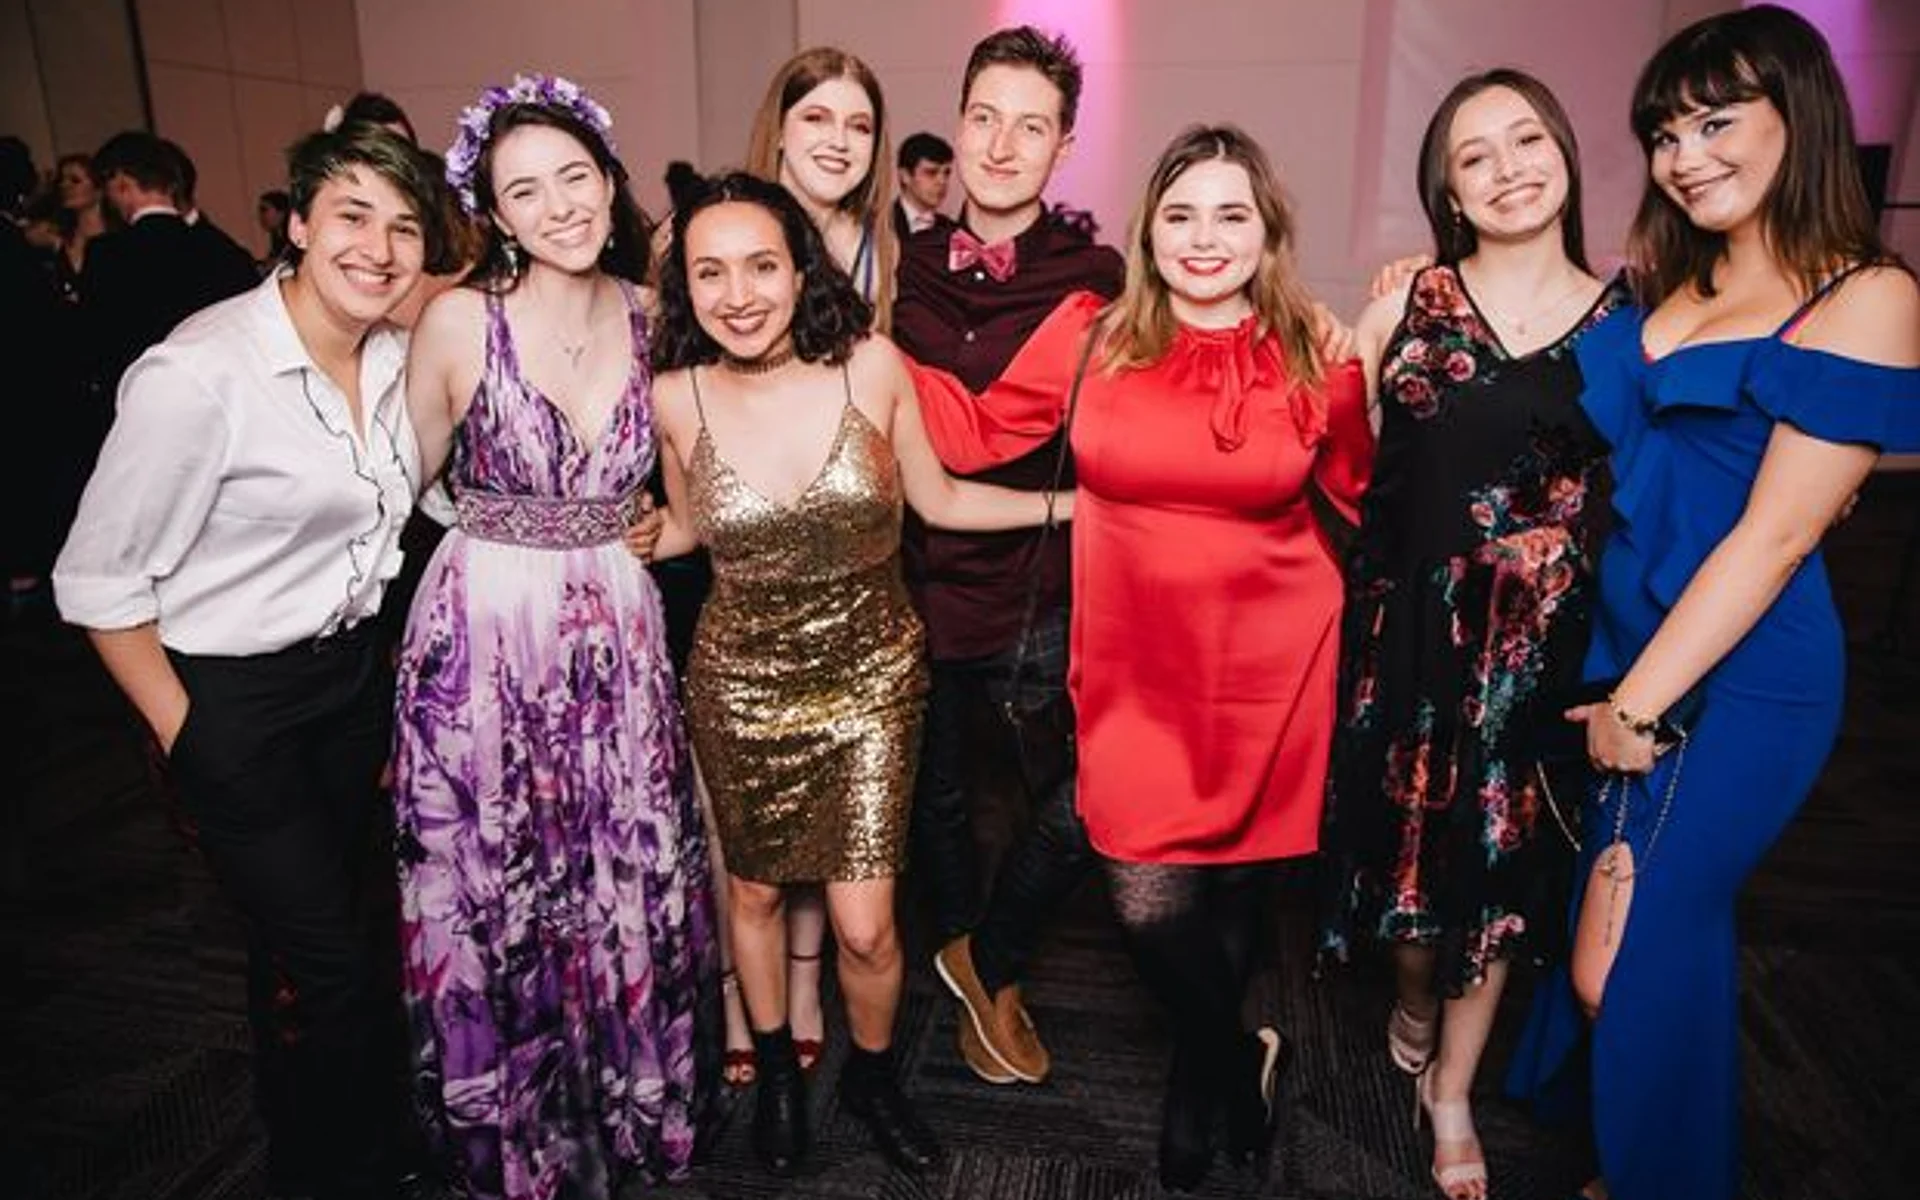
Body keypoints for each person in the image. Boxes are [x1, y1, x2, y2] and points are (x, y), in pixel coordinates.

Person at [909, 124, 1374, 1192]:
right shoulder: (1093, 335)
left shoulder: (1316, 353)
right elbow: (976, 433)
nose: (1204, 239)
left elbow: (1360, 497)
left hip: (1271, 662)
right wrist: (866, 355)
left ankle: (1196, 1083)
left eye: (1231, 215)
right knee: (1149, 904)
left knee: (1236, 895)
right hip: (1135, 673)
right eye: (1181, 214)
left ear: (1269, 233)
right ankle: (1234, 1055)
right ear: (1148, 230)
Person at [1506, 9, 1920, 1200]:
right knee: (1615, 942)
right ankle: (1630, 1162)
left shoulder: (1865, 293)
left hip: (1742, 679)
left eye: (1716, 122)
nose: (1685, 157)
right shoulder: (1673, 279)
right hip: (1628, 650)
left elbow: (1776, 536)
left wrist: (1636, 704)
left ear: (1801, 114)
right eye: (1665, 134)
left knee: (1626, 961)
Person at [51, 121, 455, 1200]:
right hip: (234, 703)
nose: (379, 248)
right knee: (333, 968)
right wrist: (190, 735)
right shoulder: (201, 371)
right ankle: (357, 1169)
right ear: (299, 223)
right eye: (353, 216)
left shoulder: (394, 360)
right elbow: (96, 582)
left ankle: (310, 1144)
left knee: (314, 946)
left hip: (349, 687)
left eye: (404, 227)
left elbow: (421, 501)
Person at [643, 169, 1068, 1177]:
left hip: (872, 683)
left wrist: (1076, 507)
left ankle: (872, 1080)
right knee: (751, 897)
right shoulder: (674, 395)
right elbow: (688, 528)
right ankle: (778, 1082)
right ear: (685, 289)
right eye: (710, 273)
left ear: (801, 271)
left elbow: (943, 500)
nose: (738, 294)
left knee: (867, 929)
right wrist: (608, 533)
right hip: (739, 684)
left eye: (760, 266)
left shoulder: (870, 368)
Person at [396, 74, 716, 1198]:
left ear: (609, 181)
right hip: (485, 631)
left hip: (618, 628)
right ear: (495, 213)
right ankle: (516, 1129)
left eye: (573, 177)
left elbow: (690, 495)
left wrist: (657, 530)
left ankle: (626, 1107)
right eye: (524, 191)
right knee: (501, 878)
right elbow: (398, 483)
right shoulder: (457, 319)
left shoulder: (655, 314)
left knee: (616, 859)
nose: (559, 206)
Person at [1315, 68, 1625, 1200]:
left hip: (1537, 666)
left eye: (1527, 140)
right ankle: (1409, 1002)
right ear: (1447, 190)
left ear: (1565, 155)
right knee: (1409, 904)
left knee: (1495, 891)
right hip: (1406, 650)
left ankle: (1451, 1091)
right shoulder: (1406, 304)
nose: (1508, 169)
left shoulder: (1632, 324)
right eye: (1475, 155)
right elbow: (1328, 458)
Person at [892, 23, 1124, 1090]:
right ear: (958, 123)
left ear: (1063, 146)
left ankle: (992, 955)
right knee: (936, 800)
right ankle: (977, 972)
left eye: (1030, 127)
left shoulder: (1101, 278)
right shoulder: (899, 269)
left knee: (1090, 793)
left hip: (1046, 581)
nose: (999, 146)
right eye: (984, 118)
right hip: (914, 575)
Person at [81, 132, 258, 397]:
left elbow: (96, 344)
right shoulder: (224, 251)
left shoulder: (106, 255)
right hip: (221, 394)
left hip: (145, 395)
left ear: (122, 184)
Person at [745, 46, 898, 328]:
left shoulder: (881, 249)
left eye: (859, 127)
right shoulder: (711, 232)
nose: (839, 142)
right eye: (816, 118)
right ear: (778, 130)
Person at [892, 131, 953, 237]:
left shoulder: (954, 231)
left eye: (946, 173)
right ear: (905, 176)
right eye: (931, 172)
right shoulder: (876, 224)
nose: (942, 181)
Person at [257, 188, 292, 266]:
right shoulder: (277, 238)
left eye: (264, 210)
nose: (261, 216)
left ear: (281, 212)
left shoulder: (294, 238)